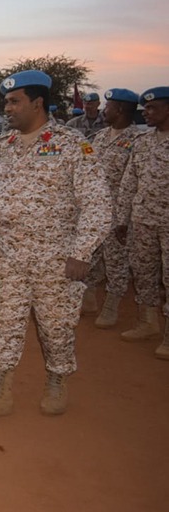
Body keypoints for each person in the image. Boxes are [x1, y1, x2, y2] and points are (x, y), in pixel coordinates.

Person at [0, 70, 110, 423]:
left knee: (56, 326)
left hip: (56, 259)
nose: (8, 109)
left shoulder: (72, 145)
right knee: (4, 322)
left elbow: (98, 203)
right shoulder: (3, 147)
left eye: (15, 102)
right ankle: (0, 393)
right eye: (6, 103)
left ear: (37, 103)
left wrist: (82, 250)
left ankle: (57, 382)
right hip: (10, 256)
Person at [115, 86, 169, 359]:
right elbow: (129, 182)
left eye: (152, 108)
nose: (146, 113)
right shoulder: (144, 141)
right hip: (143, 220)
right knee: (144, 272)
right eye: (145, 108)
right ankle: (147, 323)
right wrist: (122, 219)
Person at [80, 89, 140, 327]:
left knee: (116, 261)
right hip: (95, 211)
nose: (104, 111)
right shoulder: (99, 137)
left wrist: (125, 218)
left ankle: (111, 307)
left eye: (108, 107)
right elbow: (86, 164)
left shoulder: (138, 140)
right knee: (90, 257)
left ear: (121, 110)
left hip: (121, 212)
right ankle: (89, 300)